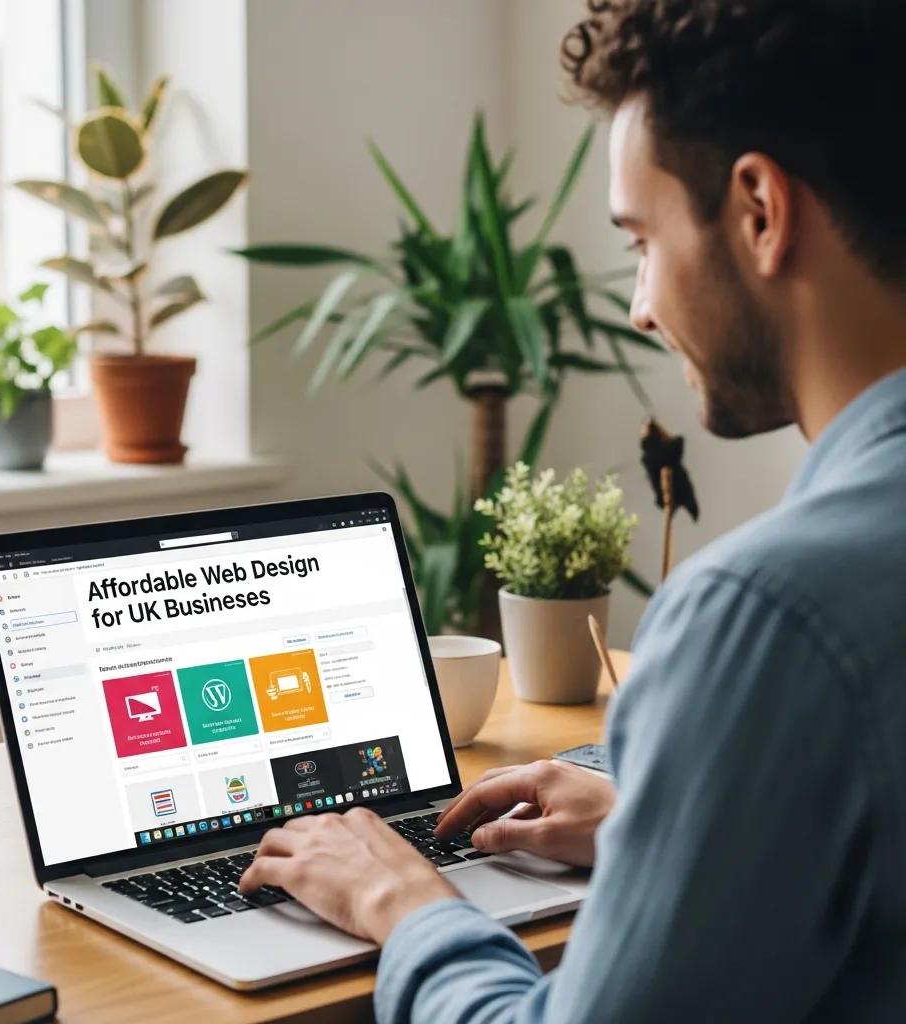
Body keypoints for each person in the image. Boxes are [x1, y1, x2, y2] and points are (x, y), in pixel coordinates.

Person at [239, 2, 906, 1019]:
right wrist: (666, 821)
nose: (640, 305)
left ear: (760, 210)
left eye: (639, 240)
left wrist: (405, 899)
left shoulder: (766, 617)